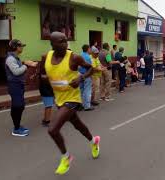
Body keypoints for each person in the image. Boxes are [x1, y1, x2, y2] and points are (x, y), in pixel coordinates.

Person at [41, 32, 100, 175]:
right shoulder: (46, 57)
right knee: (78, 125)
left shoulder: (74, 58)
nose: (65, 44)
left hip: (72, 99)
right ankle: (94, 141)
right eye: (61, 42)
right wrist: (45, 79)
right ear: (52, 44)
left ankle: (66, 157)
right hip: (59, 99)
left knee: (52, 129)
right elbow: (42, 73)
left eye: (66, 41)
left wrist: (81, 78)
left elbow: (92, 69)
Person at [5, 39, 38, 137]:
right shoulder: (10, 59)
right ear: (16, 47)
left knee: (20, 106)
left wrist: (25, 64)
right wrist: (27, 65)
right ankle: (16, 129)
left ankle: (18, 125)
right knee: (17, 106)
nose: (22, 48)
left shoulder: (15, 58)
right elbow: (16, 72)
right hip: (14, 86)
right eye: (21, 46)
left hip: (18, 85)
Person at [39, 57, 54, 127]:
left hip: (45, 88)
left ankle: (45, 119)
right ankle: (47, 121)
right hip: (46, 89)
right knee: (49, 105)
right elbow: (46, 78)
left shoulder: (43, 68)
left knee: (48, 105)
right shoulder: (44, 69)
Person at [79, 44, 94, 111]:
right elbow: (90, 68)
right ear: (87, 49)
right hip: (86, 75)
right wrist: (90, 75)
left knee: (81, 90)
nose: (90, 50)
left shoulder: (80, 55)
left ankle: (80, 104)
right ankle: (87, 106)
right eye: (90, 48)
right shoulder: (88, 57)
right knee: (87, 91)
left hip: (80, 75)